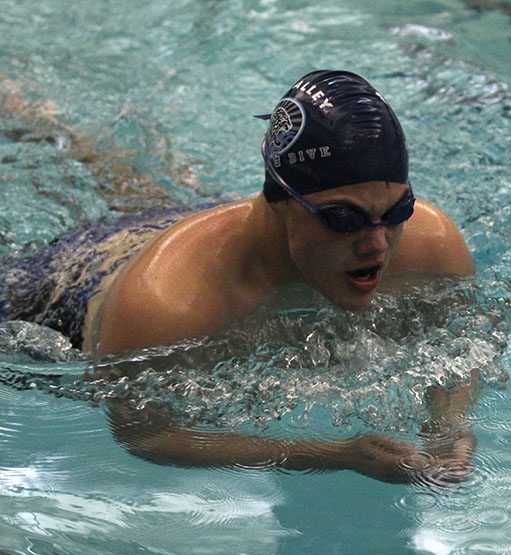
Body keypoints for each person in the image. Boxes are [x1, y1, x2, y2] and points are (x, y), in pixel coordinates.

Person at [1, 70, 479, 484]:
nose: (378, 243)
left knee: (132, 188)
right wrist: (329, 455)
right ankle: (25, 112)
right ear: (281, 202)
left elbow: (462, 344)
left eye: (397, 210)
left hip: (181, 224)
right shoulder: (166, 304)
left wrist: (450, 427)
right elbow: (147, 434)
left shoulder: (430, 243)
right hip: (72, 282)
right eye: (343, 219)